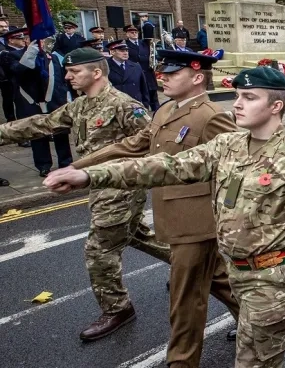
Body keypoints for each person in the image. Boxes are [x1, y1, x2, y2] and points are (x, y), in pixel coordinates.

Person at [45, 66, 285, 368]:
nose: (237, 104)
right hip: (238, 270)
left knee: (255, 352)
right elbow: (166, 166)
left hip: (277, 273)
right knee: (284, 326)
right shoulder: (228, 145)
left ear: (276, 106)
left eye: (249, 97)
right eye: (237, 95)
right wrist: (89, 176)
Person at [69, 50, 240, 364]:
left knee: (185, 302)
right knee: (219, 280)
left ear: (197, 77)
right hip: (172, 216)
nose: (163, 77)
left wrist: (228, 215)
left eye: (172, 73)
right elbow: (133, 145)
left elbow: (237, 169)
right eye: (163, 72)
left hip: (197, 222)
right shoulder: (165, 111)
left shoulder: (211, 115)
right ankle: (269, 323)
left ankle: (181, 361)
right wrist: (80, 167)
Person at [0, 47, 170, 340]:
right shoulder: (79, 106)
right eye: (68, 71)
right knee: (137, 236)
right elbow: (42, 123)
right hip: (95, 184)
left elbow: (151, 143)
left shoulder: (125, 106)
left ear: (96, 72)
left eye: (74, 71)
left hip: (120, 188)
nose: (68, 76)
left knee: (99, 249)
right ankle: (196, 264)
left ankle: (118, 308)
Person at [0, 28, 73, 176]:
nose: (40, 42)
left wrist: (66, 97)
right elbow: (18, 71)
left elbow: (60, 78)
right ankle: (44, 165)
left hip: (54, 100)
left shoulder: (51, 56)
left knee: (60, 133)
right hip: (30, 100)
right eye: (34, 40)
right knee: (37, 134)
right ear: (26, 41)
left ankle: (66, 163)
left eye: (41, 40)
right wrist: (31, 53)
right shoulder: (12, 56)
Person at [124, 24, 160, 111]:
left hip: (148, 72)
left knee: (153, 96)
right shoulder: (125, 45)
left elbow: (152, 55)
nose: (134, 34)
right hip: (136, 74)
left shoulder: (145, 43)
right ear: (127, 34)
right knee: (142, 97)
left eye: (136, 32)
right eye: (131, 32)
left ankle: (157, 113)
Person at [107, 40, 150, 108]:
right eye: (122, 51)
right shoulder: (105, 67)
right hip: (116, 106)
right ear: (112, 52)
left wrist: (145, 104)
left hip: (135, 105)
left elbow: (143, 87)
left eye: (127, 50)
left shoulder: (136, 66)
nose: (125, 53)